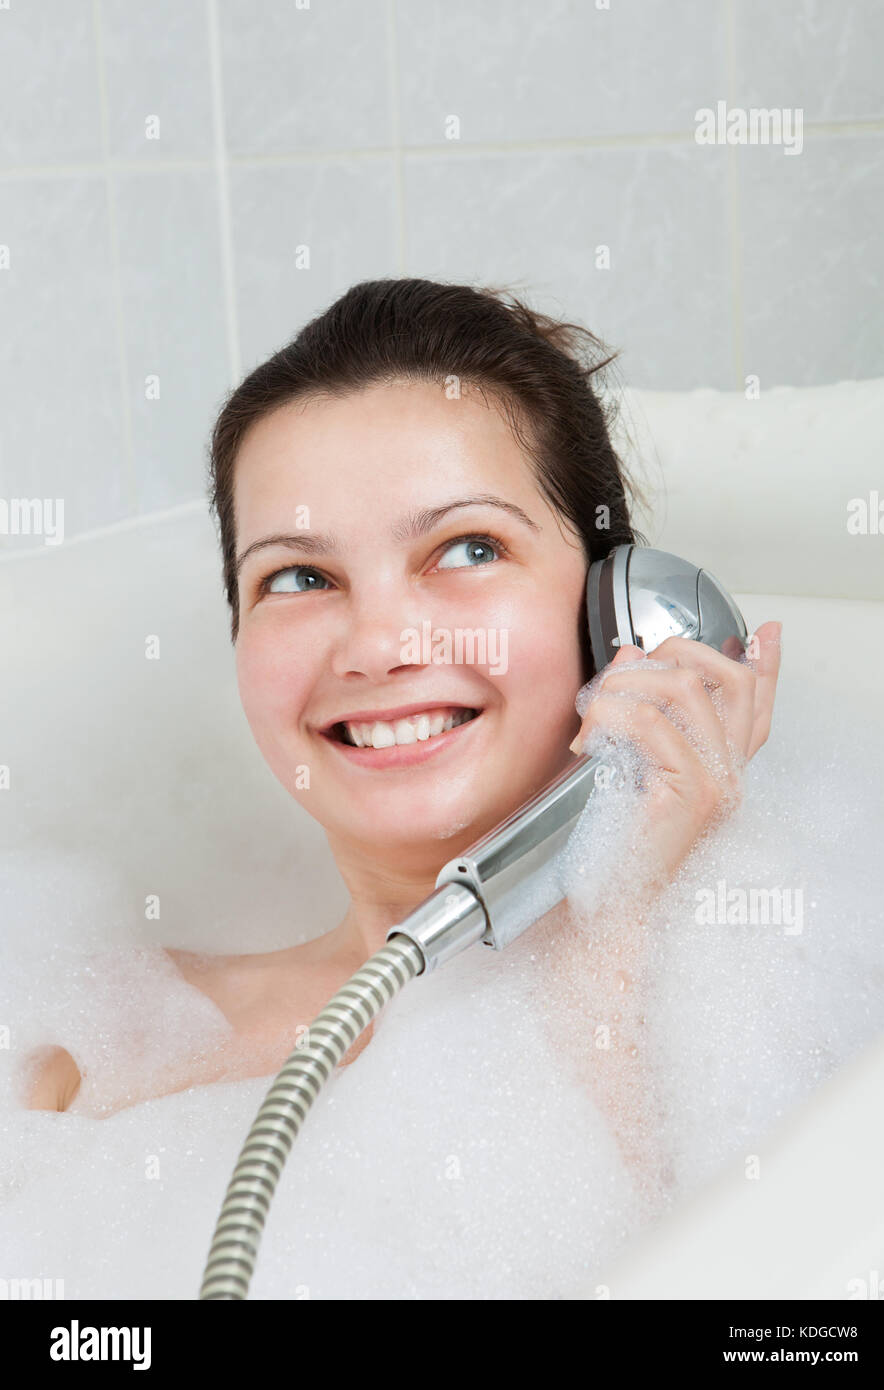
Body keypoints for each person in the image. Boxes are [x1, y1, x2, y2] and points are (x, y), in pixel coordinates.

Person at [24, 277, 781, 1117]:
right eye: (299, 576)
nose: (381, 646)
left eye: (465, 550)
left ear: (617, 610)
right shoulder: (91, 1050)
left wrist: (615, 932)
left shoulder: (782, 1000)